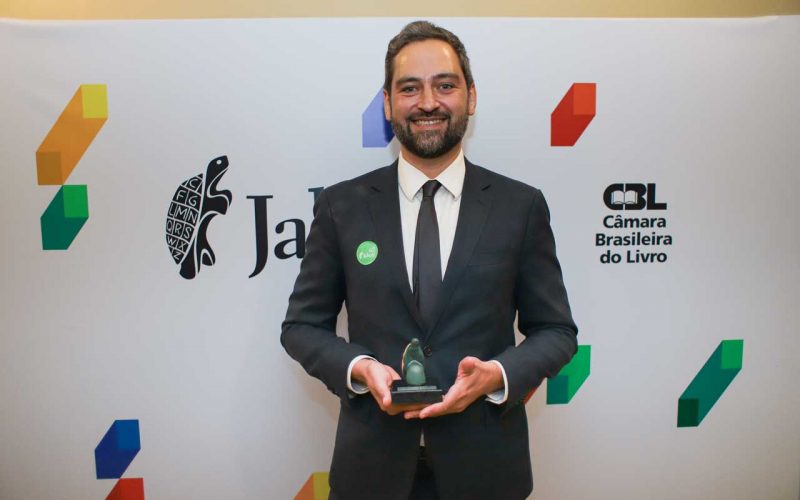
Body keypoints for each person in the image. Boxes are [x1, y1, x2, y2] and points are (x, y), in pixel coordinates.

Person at [281, 20, 578, 500]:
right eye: (409, 88)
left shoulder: (519, 206)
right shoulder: (343, 207)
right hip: (371, 474)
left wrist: (496, 377)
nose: (427, 103)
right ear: (387, 103)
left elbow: (557, 332)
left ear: (471, 97)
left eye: (445, 85)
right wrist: (360, 367)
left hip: (487, 473)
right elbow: (300, 327)